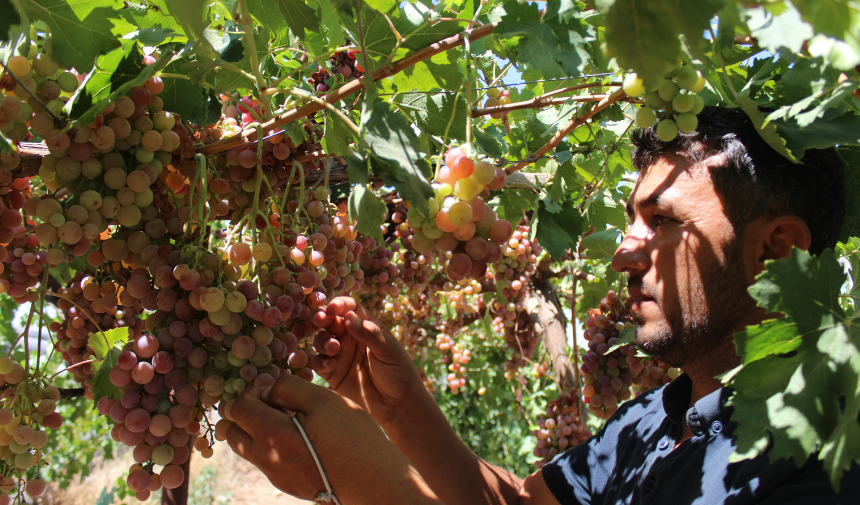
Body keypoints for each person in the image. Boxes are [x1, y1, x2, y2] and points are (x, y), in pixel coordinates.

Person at [224, 107, 860, 504]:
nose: (624, 255)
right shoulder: (655, 418)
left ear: (777, 252)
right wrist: (404, 410)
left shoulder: (829, 457)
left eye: (662, 222)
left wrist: (367, 486)